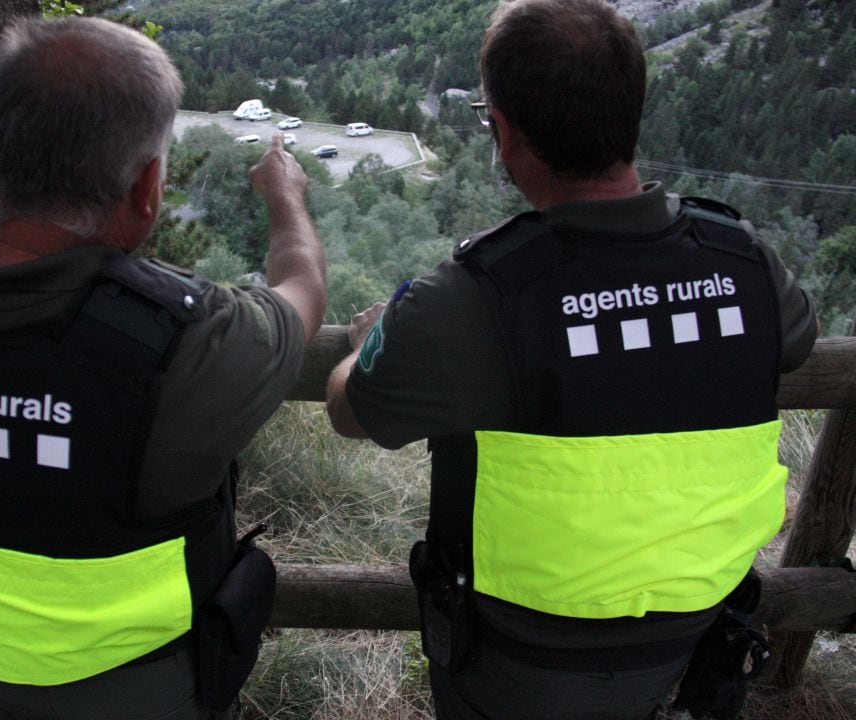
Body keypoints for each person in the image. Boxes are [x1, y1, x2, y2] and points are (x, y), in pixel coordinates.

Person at [325, 1, 817, 718]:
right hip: (699, 628)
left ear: (504, 133)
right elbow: (796, 342)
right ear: (631, 113)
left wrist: (364, 345)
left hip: (514, 654)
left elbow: (351, 412)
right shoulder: (745, 261)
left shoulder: (468, 299)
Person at [0, 16, 325, 720]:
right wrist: (286, 198)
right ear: (147, 186)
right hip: (134, 687)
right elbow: (301, 291)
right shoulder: (186, 343)